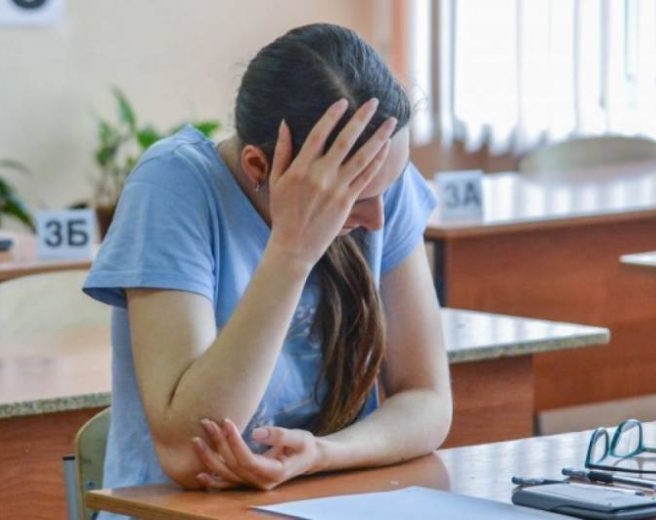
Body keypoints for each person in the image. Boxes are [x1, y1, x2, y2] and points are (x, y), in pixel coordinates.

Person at [83, 22, 452, 513]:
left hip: (321, 504)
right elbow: (188, 454)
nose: (379, 219)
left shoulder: (380, 184)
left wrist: (321, 454)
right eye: (352, 198)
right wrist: (292, 252)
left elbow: (427, 400)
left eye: (390, 185)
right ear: (259, 167)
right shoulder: (173, 185)